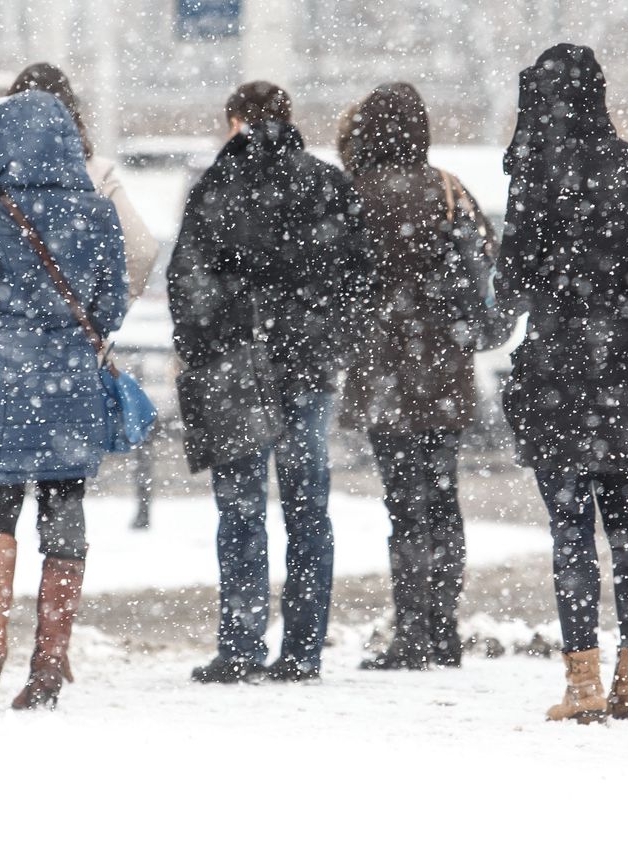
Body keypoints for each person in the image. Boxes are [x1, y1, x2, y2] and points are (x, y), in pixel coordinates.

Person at [0, 89, 129, 711]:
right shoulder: (98, 214)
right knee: (63, 518)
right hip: (71, 392)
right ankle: (48, 664)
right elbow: (111, 308)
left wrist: (5, 339)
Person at [167, 81, 370, 683]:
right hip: (306, 368)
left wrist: (204, 347)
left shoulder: (215, 186)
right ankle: (303, 651)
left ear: (234, 121)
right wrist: (332, 341)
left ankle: (241, 645)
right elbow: (360, 276)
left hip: (236, 369)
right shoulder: (327, 183)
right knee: (309, 511)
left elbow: (188, 283)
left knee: (241, 509)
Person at [498, 44, 628, 722]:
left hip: (558, 376)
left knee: (570, 527)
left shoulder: (537, 170)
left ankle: (582, 683)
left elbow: (511, 284)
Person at [339, 83, 486, 670]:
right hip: (445, 368)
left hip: (382, 370)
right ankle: (443, 628)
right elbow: (488, 275)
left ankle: (412, 633)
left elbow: (337, 283)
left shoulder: (352, 196)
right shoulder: (449, 191)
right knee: (444, 498)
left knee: (404, 505)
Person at [0, 63, 158, 299]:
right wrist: (101, 311)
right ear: (71, 118)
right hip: (77, 329)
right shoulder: (97, 173)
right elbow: (143, 252)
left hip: (7, 332)